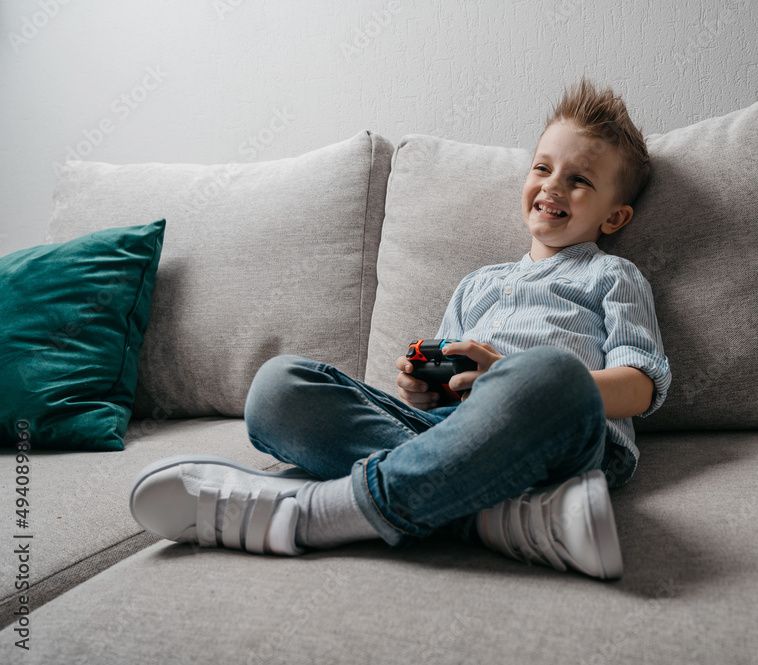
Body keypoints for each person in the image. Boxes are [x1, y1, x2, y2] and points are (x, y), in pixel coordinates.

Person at [129, 78, 671, 580]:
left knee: (551, 374)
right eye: (542, 168)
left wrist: (510, 374)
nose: (552, 186)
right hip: (450, 440)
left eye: (578, 181)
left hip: (556, 437)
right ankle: (492, 515)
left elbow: (642, 385)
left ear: (614, 216)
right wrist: (426, 388)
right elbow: (435, 408)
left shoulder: (612, 274)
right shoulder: (478, 283)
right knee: (278, 388)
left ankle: (316, 514)